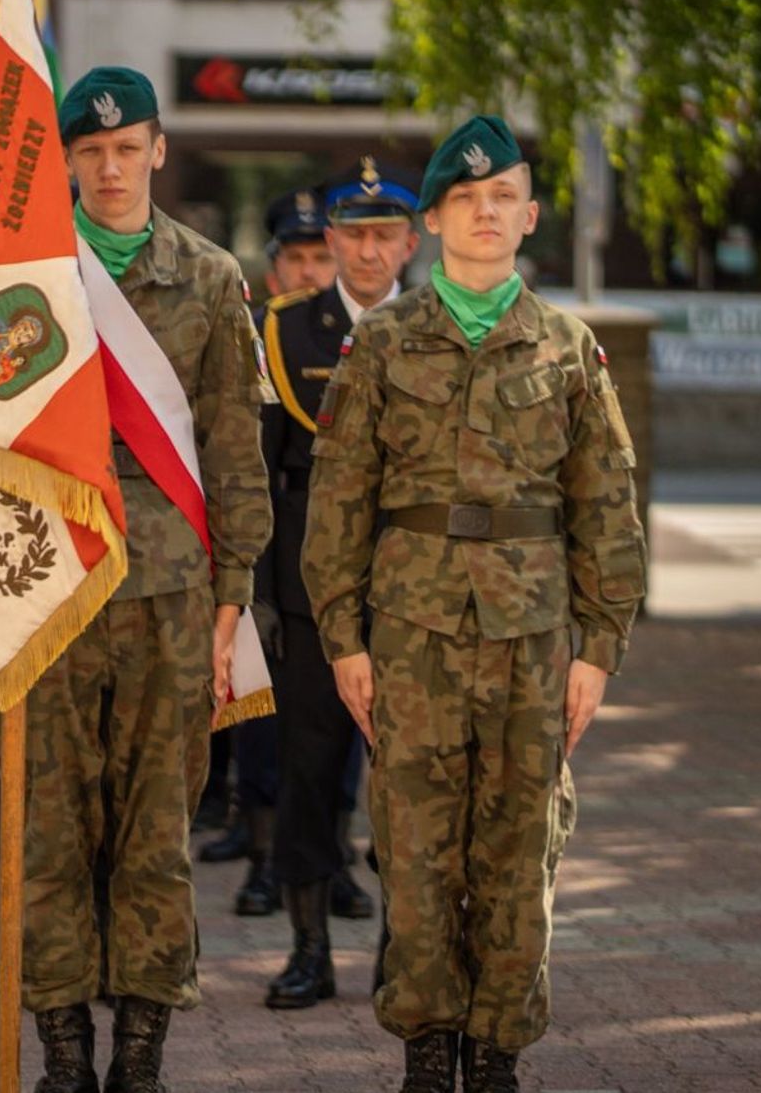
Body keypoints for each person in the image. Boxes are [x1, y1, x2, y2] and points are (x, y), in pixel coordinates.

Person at [301, 115, 645, 1093]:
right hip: (409, 636)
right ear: (436, 219)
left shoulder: (570, 347)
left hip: (535, 641)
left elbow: (605, 506)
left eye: (503, 199)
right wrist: (342, 638)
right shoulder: (382, 342)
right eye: (466, 199)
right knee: (413, 847)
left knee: (521, 843)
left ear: (530, 215)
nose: (486, 213)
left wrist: (600, 648)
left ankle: (496, 1051)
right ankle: (425, 1045)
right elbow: (340, 501)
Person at [21, 66, 272, 1093]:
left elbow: (233, 448)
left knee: (158, 832)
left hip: (173, 597)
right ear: (68, 160)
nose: (112, 166)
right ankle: (66, 1057)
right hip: (51, 589)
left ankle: (139, 1056)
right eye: (91, 150)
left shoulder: (211, 278)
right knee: (50, 833)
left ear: (159, 151)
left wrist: (231, 603)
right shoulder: (26, 275)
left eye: (129, 148)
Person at [260, 161, 420, 1009]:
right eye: (351, 234)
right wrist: (255, 595)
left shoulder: (438, 327)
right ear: (329, 242)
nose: (366, 250)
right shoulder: (287, 329)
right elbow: (256, 468)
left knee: (409, 776)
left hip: (412, 588)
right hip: (306, 588)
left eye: (383, 234)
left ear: (409, 241)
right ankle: (309, 947)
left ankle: (401, 945)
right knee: (310, 771)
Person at [199, 185, 336, 915]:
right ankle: (258, 854)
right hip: (266, 543)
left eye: (323, 255)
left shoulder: (351, 331)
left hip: (328, 551)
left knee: (329, 727)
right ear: (275, 264)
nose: (310, 270)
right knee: (254, 709)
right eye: (297, 257)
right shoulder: (256, 332)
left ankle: (326, 859)